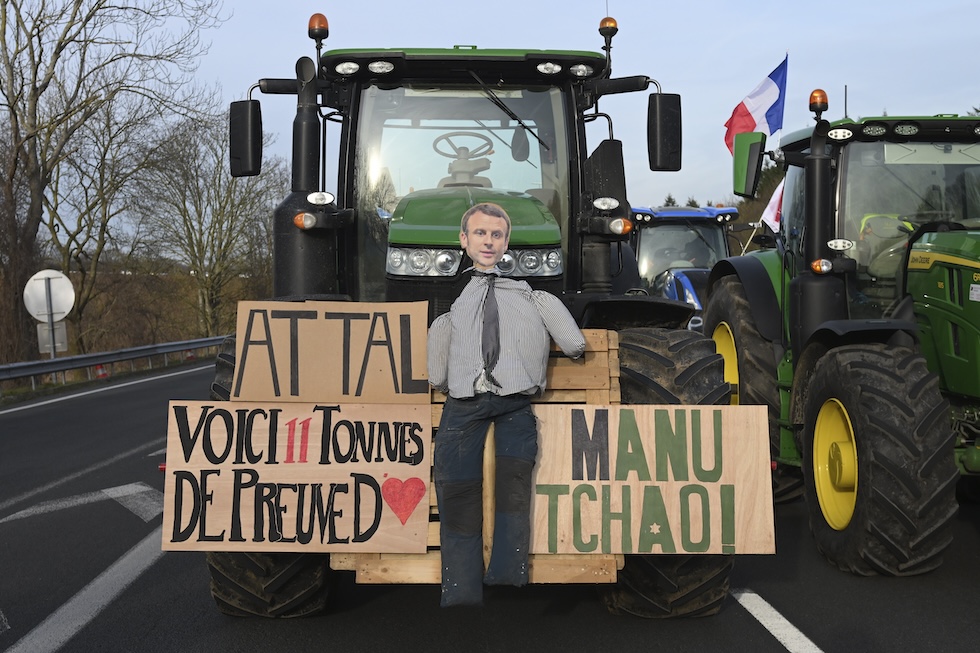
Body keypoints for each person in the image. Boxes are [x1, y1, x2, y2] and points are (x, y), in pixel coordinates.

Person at [427, 202, 586, 607]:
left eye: (496, 235)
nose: (488, 241)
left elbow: (574, 343)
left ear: (506, 242)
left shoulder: (531, 297)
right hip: (464, 403)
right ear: (463, 240)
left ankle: (507, 573)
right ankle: (461, 588)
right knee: (457, 488)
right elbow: (437, 374)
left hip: (516, 401)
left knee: (514, 487)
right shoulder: (453, 303)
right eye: (480, 233)